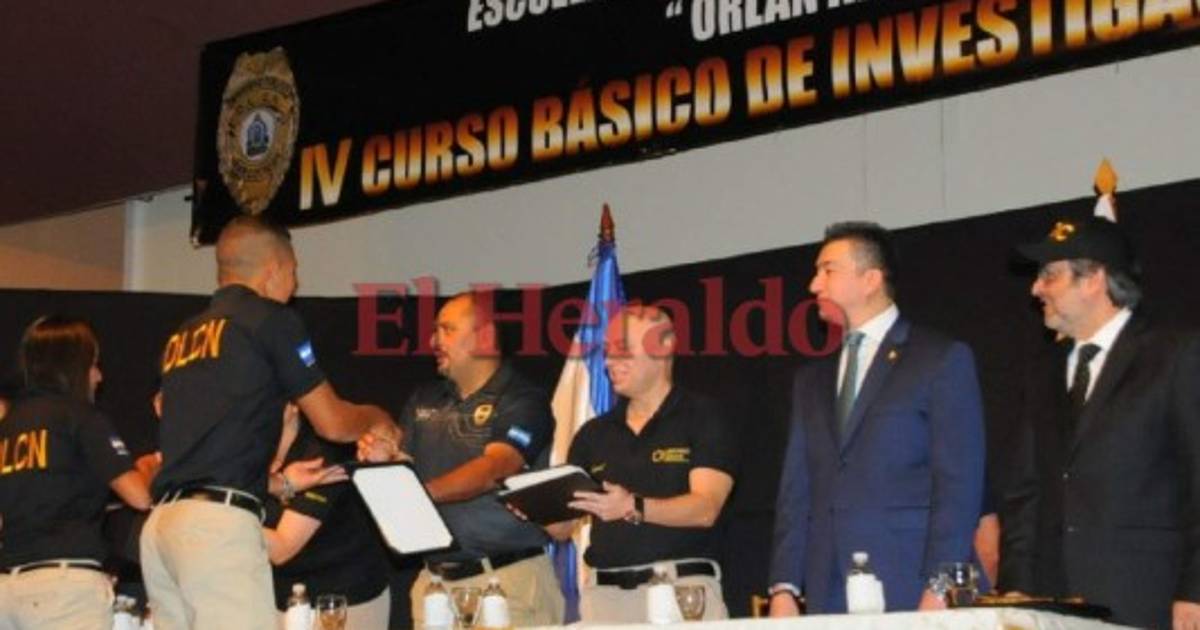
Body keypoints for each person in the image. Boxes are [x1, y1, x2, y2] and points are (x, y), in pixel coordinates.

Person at [139, 216, 396, 630]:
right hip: (216, 529)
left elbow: (208, 453)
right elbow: (332, 424)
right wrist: (377, 417)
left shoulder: (182, 336)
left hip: (162, 527)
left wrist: (281, 484)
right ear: (274, 270)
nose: (295, 286)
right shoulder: (269, 319)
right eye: (293, 272)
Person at [768, 221, 986, 615]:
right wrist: (784, 587)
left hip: (912, 579)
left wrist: (941, 584)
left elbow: (959, 483)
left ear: (870, 279)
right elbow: (795, 490)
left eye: (828, 271)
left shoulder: (939, 359)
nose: (814, 285)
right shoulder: (811, 381)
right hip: (828, 586)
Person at [999, 216, 1200, 629]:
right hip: (1054, 602)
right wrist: (1015, 589)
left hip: (1148, 599)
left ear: (1093, 280)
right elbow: (1026, 491)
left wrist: (1195, 590)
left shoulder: (1175, 355)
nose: (1036, 288)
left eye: (1049, 275)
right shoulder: (1042, 371)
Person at [359, 292, 564, 627]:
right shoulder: (424, 398)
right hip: (434, 586)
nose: (433, 341)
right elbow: (404, 467)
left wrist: (423, 493)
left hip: (505, 584)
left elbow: (497, 467)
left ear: (484, 337)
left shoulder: (523, 400)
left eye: (447, 329)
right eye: (435, 331)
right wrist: (383, 460)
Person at [555, 304, 737, 623]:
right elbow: (562, 528)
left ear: (663, 346)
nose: (609, 361)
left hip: (681, 592)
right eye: (607, 350)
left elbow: (706, 509)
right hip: (604, 599)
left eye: (622, 348)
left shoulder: (703, 416)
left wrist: (632, 506)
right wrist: (534, 507)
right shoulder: (593, 433)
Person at [0, 315, 152, 630]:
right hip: (63, 589)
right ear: (73, 365)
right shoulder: (81, 417)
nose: (98, 376)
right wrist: (150, 467)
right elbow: (139, 496)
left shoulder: (8, 426)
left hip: (8, 588)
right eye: (93, 364)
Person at [264, 405, 391, 629]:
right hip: (279, 598)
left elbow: (283, 549)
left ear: (293, 406)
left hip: (341, 603)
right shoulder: (253, 451)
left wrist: (222, 510)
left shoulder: (323, 451)